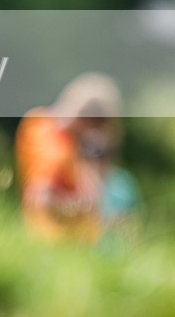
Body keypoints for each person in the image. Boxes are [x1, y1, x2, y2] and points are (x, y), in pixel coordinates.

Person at [14, 72, 135, 244]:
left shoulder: (39, 122)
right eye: (97, 128)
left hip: (58, 241)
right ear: (88, 121)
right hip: (55, 242)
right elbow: (41, 200)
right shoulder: (55, 145)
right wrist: (81, 207)